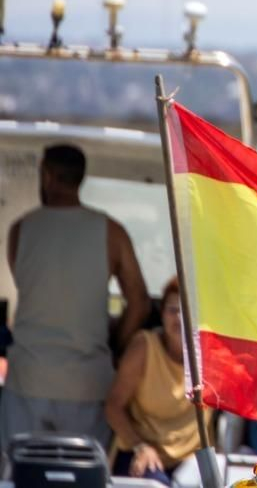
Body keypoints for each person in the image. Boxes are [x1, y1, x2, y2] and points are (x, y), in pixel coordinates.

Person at [2, 143, 149, 461]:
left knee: (22, 476)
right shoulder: (112, 232)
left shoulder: (20, 230)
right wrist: (115, 346)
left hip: (28, 380)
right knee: (79, 476)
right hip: (87, 384)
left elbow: (32, 291)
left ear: (48, 175)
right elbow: (138, 301)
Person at [104, 278, 212, 486]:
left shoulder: (213, 354)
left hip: (193, 463)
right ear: (161, 314)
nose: (180, 318)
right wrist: (140, 446)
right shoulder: (144, 347)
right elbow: (113, 406)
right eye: (173, 310)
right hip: (143, 456)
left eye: (188, 310)